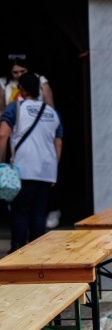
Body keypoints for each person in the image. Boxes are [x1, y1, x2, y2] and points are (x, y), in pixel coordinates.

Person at [0, 73, 62, 252]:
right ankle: (37, 253)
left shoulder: (15, 109)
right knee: (39, 213)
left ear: (21, 89)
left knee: (20, 212)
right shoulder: (53, 113)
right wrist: (54, 168)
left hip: (23, 170)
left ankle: (18, 251)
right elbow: (58, 142)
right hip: (46, 171)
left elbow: (3, 134)